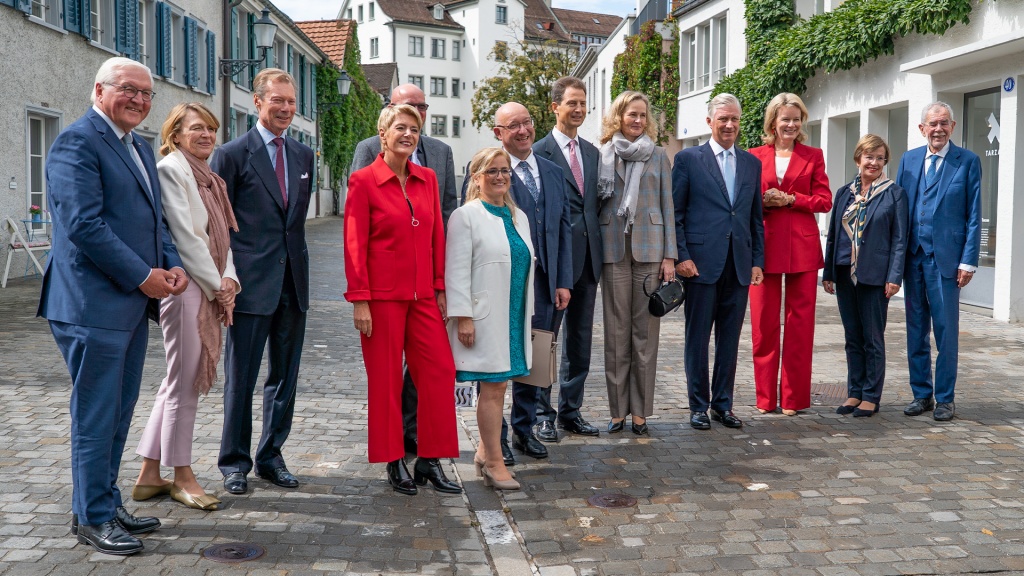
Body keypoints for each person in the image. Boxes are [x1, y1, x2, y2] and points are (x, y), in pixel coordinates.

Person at [38, 57, 186, 555]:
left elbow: (153, 221)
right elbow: (84, 226)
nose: (140, 101)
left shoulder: (138, 148)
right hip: (90, 304)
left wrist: (171, 264)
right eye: (129, 90)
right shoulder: (76, 142)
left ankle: (104, 500)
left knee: (119, 412)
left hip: (128, 302)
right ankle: (91, 518)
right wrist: (144, 276)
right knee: (97, 414)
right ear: (100, 90)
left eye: (146, 94)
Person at [344, 105, 461, 496]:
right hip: (380, 299)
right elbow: (355, 244)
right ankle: (394, 459)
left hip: (423, 295)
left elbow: (436, 236)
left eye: (414, 128)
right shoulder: (363, 181)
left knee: (440, 372)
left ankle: (430, 458)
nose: (408, 134)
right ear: (383, 132)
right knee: (386, 381)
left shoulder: (427, 178)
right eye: (400, 127)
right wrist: (360, 299)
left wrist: (441, 286)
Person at [211, 68, 314, 495]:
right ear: (258, 102)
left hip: (294, 280)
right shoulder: (232, 154)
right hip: (249, 285)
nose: (286, 109)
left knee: (285, 378)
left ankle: (271, 456)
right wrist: (226, 280)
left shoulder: (304, 156)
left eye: (291, 102)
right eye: (278, 101)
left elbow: (294, 224)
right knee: (243, 377)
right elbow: (218, 227)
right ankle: (234, 462)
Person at [133, 103, 240, 511]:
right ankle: (182, 476)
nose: (206, 135)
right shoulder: (172, 171)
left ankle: (147, 475)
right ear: (174, 135)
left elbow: (222, 238)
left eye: (211, 129)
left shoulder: (211, 179)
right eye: (197, 128)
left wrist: (229, 278)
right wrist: (219, 286)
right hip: (186, 290)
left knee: (174, 383)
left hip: (208, 284)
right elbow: (187, 239)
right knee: (185, 385)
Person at [673, 93, 765, 431]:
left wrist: (757, 260)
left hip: (738, 265)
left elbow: (755, 217)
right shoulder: (688, 160)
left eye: (734, 119)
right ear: (709, 121)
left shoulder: (752, 163)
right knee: (697, 338)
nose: (729, 125)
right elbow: (676, 214)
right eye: (723, 119)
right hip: (700, 265)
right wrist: (682, 256)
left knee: (729, 339)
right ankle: (698, 405)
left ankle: (722, 405)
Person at [490, 102, 572, 463]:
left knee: (534, 360)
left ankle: (524, 430)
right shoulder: (489, 171)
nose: (522, 131)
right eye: (513, 126)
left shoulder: (554, 172)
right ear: (499, 133)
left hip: (546, 284)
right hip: (505, 284)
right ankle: (498, 438)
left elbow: (564, 230)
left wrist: (564, 280)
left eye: (527, 123)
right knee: (501, 363)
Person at [447, 147, 533, 491]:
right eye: (492, 171)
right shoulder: (465, 216)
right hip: (484, 318)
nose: (500, 177)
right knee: (493, 387)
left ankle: (485, 451)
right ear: (476, 177)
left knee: (502, 386)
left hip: (513, 314)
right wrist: (464, 317)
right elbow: (455, 271)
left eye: (505, 170)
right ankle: (495, 462)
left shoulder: (518, 216)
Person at [596, 91, 676, 436]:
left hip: (650, 251)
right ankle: (617, 412)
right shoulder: (602, 154)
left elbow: (669, 207)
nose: (638, 120)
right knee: (616, 335)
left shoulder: (658, 155)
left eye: (643, 115)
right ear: (619, 116)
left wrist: (670, 255)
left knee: (645, 336)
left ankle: (641, 413)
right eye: (632, 114)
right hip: (613, 249)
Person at [896, 102, 982, 422]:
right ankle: (922, 394)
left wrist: (968, 261)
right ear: (922, 129)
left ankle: (945, 398)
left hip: (946, 262)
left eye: (944, 123)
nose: (938, 129)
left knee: (946, 332)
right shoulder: (909, 160)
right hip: (913, 259)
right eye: (932, 124)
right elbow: (900, 210)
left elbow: (974, 214)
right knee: (916, 331)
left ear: (953, 126)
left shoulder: (967, 161)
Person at [747, 93, 832, 416]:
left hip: (802, 248)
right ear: (773, 122)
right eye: (785, 119)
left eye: (797, 119)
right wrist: (765, 201)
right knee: (763, 325)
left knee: (800, 327)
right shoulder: (754, 156)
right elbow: (742, 200)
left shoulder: (813, 155)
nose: (792, 125)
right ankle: (766, 398)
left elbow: (824, 200)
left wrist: (791, 199)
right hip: (764, 247)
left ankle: (794, 399)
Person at [532, 76, 603, 441]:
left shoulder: (592, 152)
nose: (578, 109)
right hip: (554, 261)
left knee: (580, 341)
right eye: (571, 103)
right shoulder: (539, 151)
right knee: (547, 340)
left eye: (582, 103)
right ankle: (543, 413)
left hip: (589, 260)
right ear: (554, 107)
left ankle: (571, 411)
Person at [823, 134, 908, 417]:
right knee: (852, 336)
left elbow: (899, 239)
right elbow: (834, 234)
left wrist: (894, 276)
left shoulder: (894, 193)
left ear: (885, 162)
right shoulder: (844, 193)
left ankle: (871, 395)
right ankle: (854, 392)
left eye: (880, 158)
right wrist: (829, 272)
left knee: (873, 337)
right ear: (858, 158)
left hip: (875, 276)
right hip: (845, 273)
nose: (874, 162)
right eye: (869, 156)